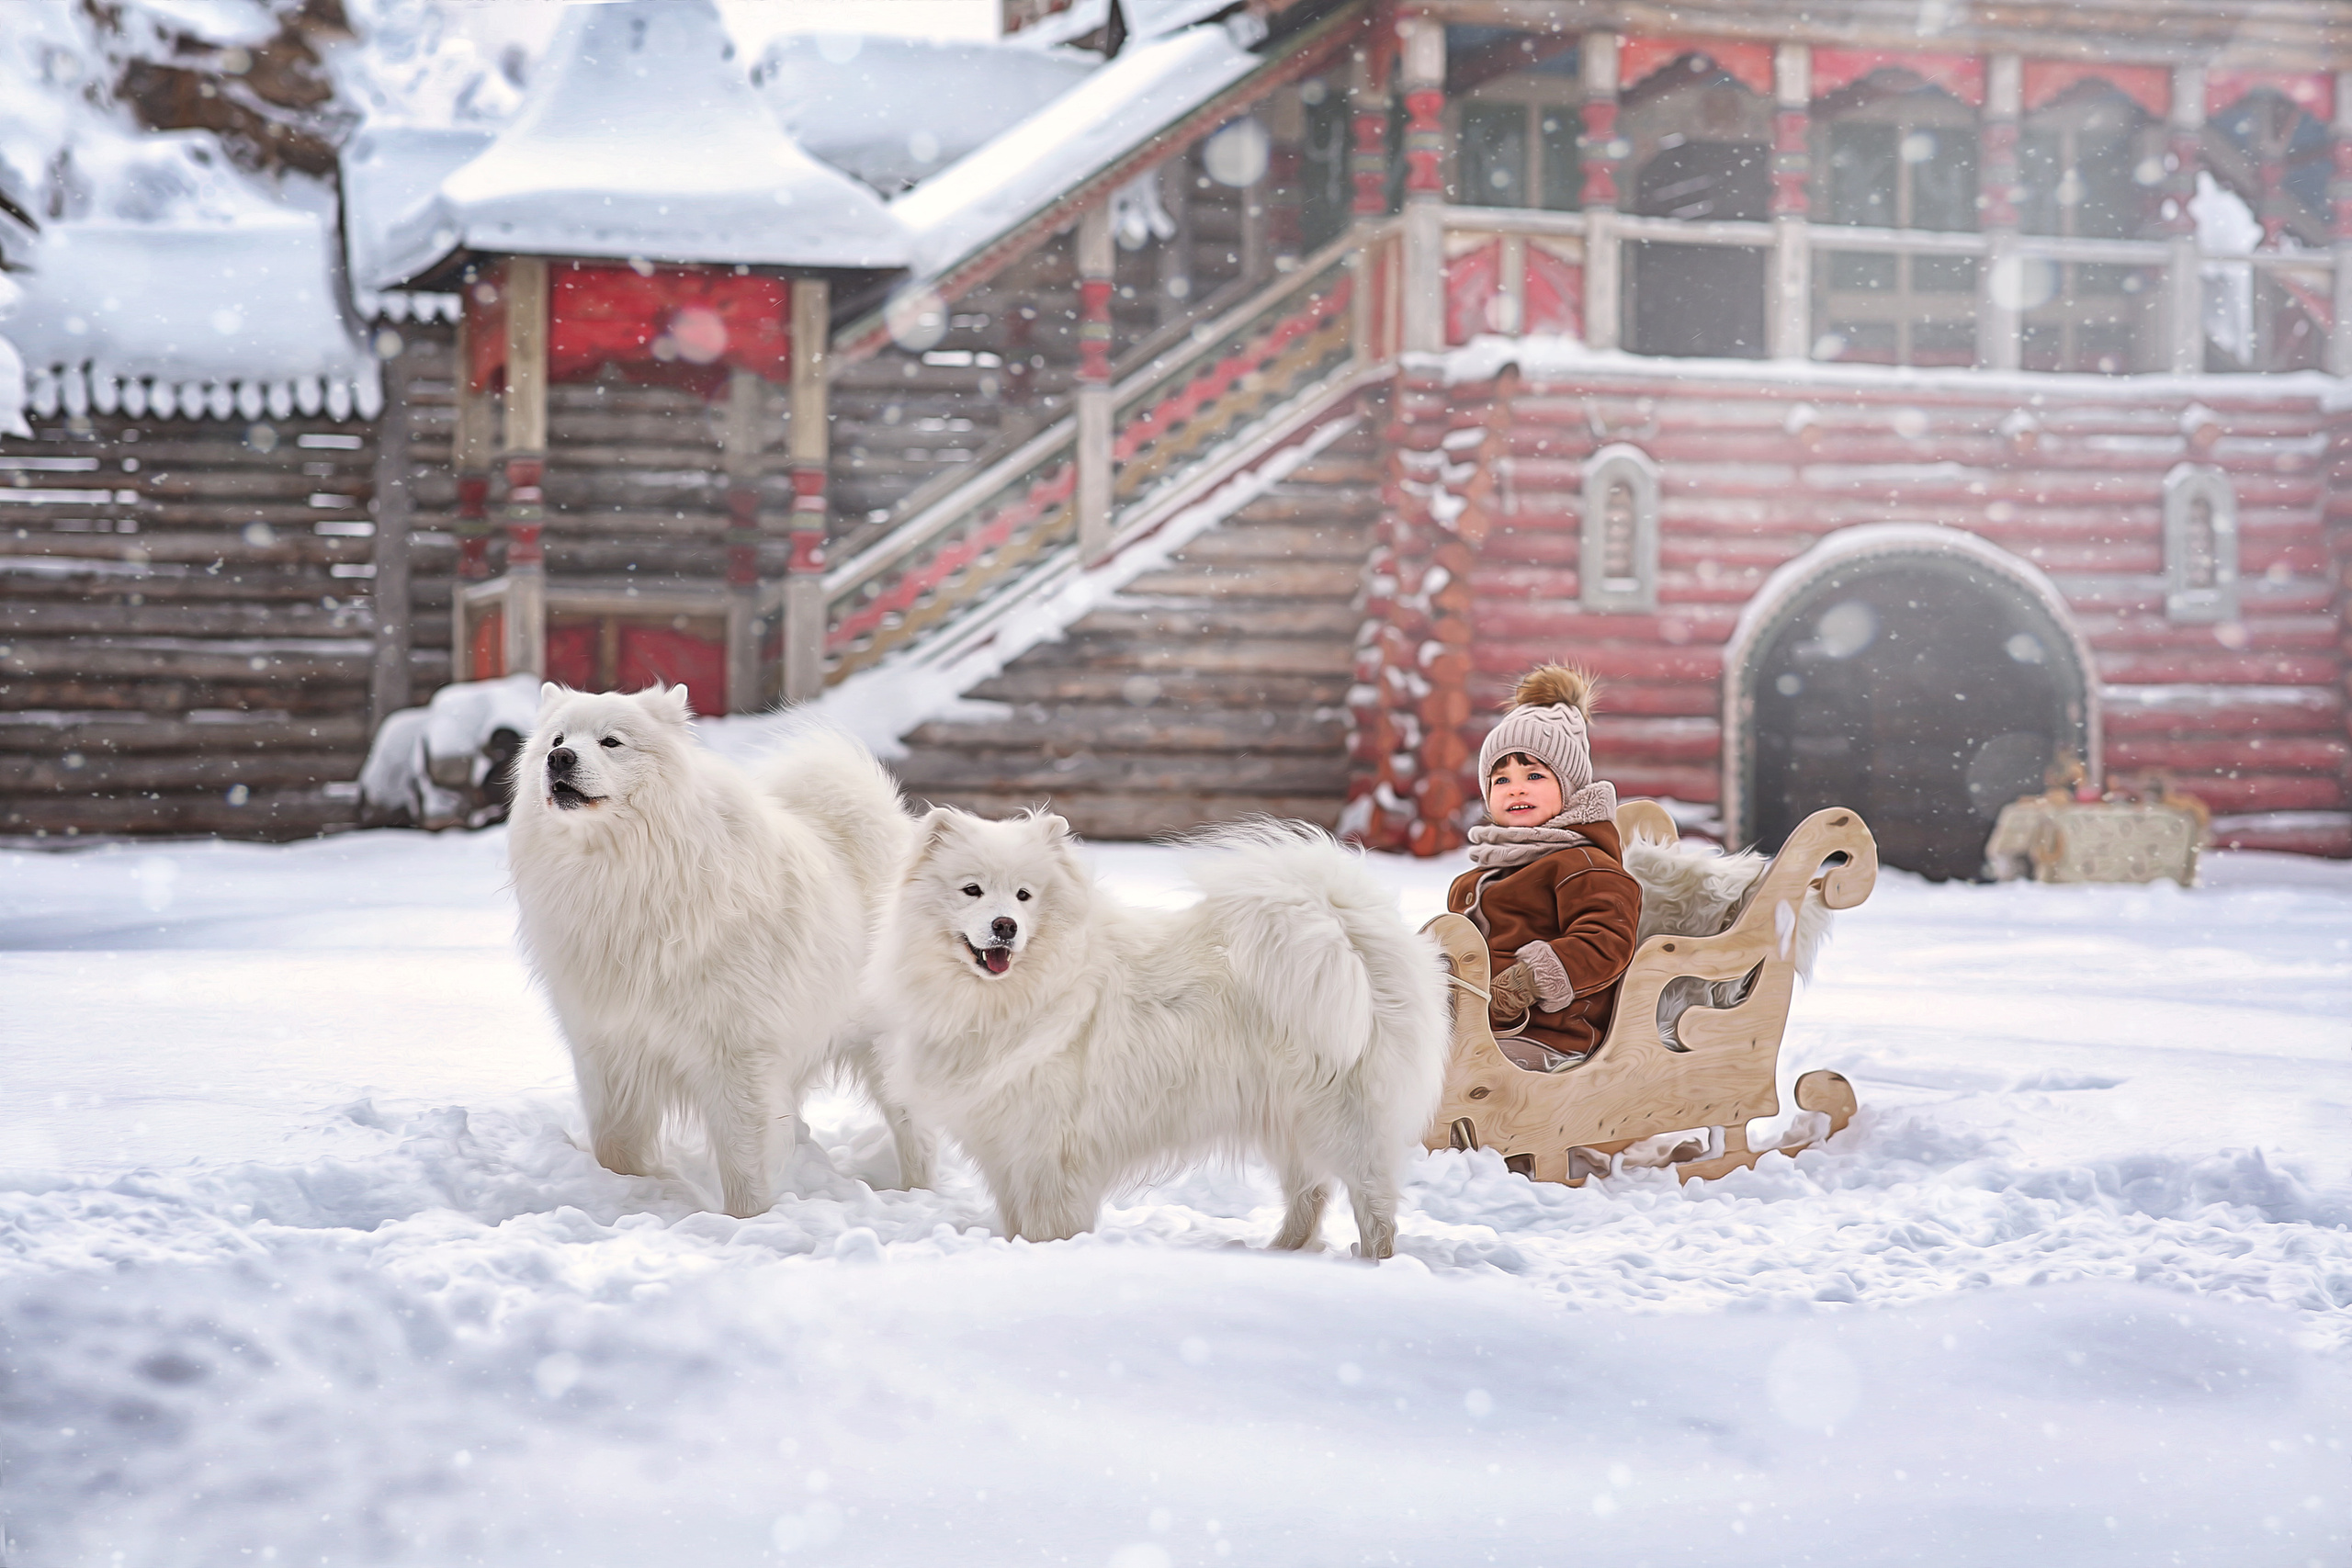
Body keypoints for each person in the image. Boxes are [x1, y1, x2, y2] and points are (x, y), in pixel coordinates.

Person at [1444, 665, 1642, 1072]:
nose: (1516, 788)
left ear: (1569, 789)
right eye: (1501, 780)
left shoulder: (1583, 865)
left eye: (1534, 775)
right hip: (1478, 1030)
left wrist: (1530, 979)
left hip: (1553, 1039)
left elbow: (1606, 942)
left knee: (1457, 1076)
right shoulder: (1477, 878)